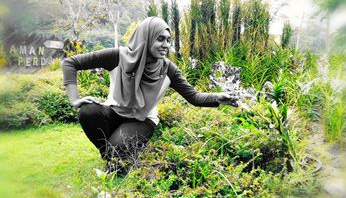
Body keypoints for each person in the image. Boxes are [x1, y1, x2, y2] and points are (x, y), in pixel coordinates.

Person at [62, 17, 235, 174]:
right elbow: (71, 63)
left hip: (142, 120)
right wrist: (75, 100)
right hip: (114, 111)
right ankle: (113, 157)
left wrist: (218, 97)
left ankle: (117, 157)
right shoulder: (118, 57)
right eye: (160, 39)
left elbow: (194, 97)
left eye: (168, 40)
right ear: (146, 38)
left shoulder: (169, 70)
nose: (166, 45)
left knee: (117, 150)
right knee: (87, 111)